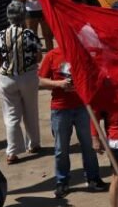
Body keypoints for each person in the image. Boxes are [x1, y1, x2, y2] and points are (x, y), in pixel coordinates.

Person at [38, 46, 104, 198]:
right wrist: (59, 84)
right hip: (60, 108)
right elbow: (40, 81)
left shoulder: (82, 53)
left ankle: (93, 178)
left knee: (88, 146)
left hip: (83, 106)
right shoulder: (52, 56)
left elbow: (95, 74)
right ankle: (62, 181)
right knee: (61, 149)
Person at [0, 0, 43, 164]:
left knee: (11, 115)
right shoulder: (29, 34)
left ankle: (12, 152)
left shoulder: (0, 35)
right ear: (23, 16)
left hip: (7, 78)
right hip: (27, 76)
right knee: (31, 111)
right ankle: (33, 144)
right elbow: (39, 56)